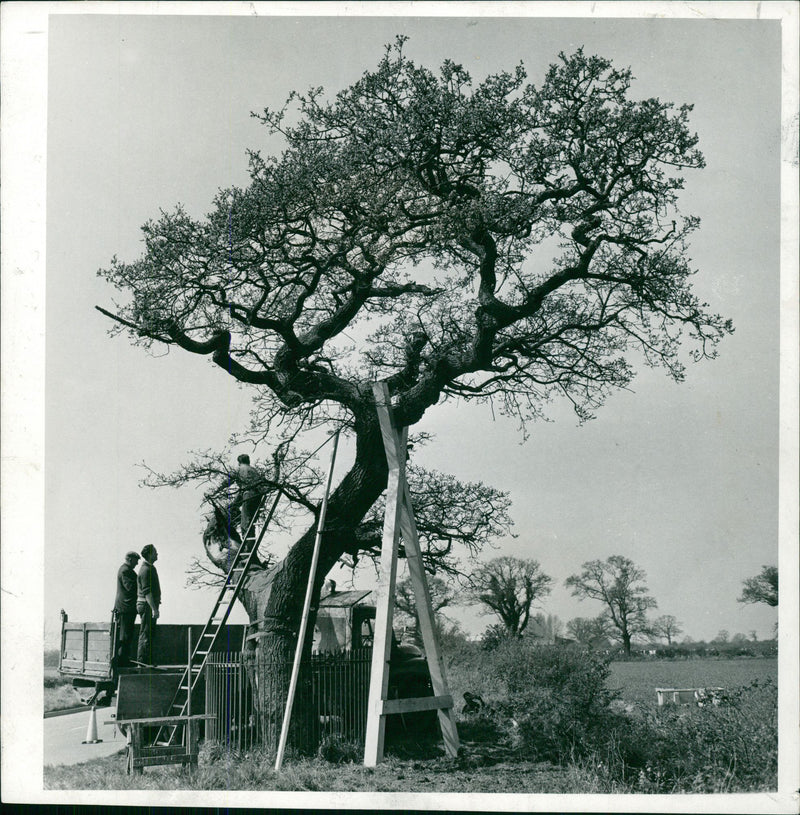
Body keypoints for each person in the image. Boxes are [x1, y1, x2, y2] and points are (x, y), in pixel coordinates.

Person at [112, 550, 140, 668]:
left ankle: (122, 660)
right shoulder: (126, 571)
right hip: (125, 608)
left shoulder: (125, 570)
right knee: (125, 636)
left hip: (125, 608)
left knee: (125, 635)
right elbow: (131, 587)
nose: (137, 563)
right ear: (129, 559)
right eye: (136, 560)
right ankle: (122, 661)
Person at [136, 544, 161, 667]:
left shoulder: (150, 568)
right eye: (155, 552)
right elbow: (147, 592)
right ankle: (142, 662)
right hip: (147, 605)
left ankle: (147, 661)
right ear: (150, 554)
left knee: (149, 632)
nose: (157, 554)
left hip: (148, 605)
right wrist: (154, 609)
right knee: (146, 633)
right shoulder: (146, 570)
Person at [236, 454, 264, 543]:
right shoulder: (254, 470)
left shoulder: (240, 469)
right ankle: (250, 545)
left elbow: (229, 481)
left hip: (248, 495)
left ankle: (248, 546)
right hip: (257, 497)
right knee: (251, 522)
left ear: (239, 462)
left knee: (245, 522)